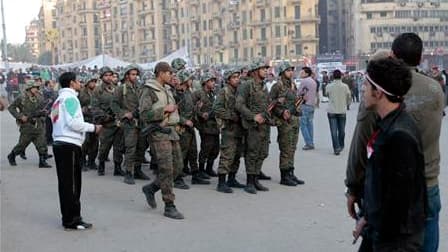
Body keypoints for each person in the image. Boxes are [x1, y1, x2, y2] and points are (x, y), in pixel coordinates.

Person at [345, 33, 444, 252]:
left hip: (394, 195)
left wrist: (353, 187)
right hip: (429, 185)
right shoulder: (435, 89)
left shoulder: (386, 98)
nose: (363, 89)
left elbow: (361, 145)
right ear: (420, 58)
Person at [352, 57, 427, 251]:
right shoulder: (388, 124)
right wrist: (366, 218)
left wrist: (375, 227)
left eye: (366, 86)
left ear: (378, 93)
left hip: (395, 239)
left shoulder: (400, 135)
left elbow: (399, 201)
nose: (363, 90)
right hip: (378, 228)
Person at [51, 71, 102, 230]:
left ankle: (68, 217)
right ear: (72, 83)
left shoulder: (58, 100)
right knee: (72, 185)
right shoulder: (71, 98)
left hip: (60, 143)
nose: (80, 83)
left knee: (65, 185)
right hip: (69, 145)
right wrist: (93, 128)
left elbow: (53, 120)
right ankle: (73, 219)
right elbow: (74, 123)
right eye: (78, 81)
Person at [140, 62, 184, 219]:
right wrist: (163, 110)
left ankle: (151, 188)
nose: (172, 76)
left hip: (171, 131)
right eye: (169, 73)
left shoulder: (166, 89)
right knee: (166, 169)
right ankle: (169, 205)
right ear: (160, 73)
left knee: (178, 167)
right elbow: (144, 114)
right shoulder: (149, 90)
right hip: (159, 133)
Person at [235, 59, 271, 194]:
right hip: (252, 126)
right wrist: (253, 116)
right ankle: (250, 182)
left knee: (263, 152)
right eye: (263, 68)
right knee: (252, 153)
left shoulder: (263, 86)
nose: (266, 71)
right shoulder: (247, 85)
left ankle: (256, 179)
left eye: (267, 69)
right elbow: (239, 105)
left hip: (264, 125)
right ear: (255, 71)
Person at [112, 64, 150, 184]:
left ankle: (138, 170)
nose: (135, 76)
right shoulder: (121, 89)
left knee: (141, 146)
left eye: (136, 74)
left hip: (141, 122)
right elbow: (114, 104)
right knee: (130, 148)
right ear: (127, 76)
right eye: (133, 74)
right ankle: (129, 172)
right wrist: (124, 113)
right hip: (130, 123)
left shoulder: (139, 87)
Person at [270, 61, 304, 186]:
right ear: (282, 72)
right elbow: (271, 104)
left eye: (291, 70)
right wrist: (281, 112)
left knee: (292, 148)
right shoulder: (277, 86)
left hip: (294, 120)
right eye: (288, 70)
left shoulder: (292, 84)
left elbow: (294, 101)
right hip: (284, 122)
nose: (291, 72)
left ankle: (290, 172)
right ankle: (284, 176)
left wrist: (300, 101)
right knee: (286, 149)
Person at [174, 70, 210, 185]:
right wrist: (185, 121)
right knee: (181, 154)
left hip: (190, 127)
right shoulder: (177, 94)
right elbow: (174, 113)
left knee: (193, 152)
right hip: (182, 128)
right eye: (190, 79)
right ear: (185, 80)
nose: (191, 81)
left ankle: (195, 175)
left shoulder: (189, 92)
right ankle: (177, 178)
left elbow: (190, 109)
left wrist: (197, 107)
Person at [213, 68, 245, 193]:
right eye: (234, 77)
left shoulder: (239, 91)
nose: (237, 79)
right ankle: (221, 182)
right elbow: (216, 108)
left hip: (239, 128)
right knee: (227, 155)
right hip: (229, 129)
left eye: (238, 77)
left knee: (237, 155)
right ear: (228, 80)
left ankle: (232, 178)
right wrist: (231, 116)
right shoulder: (224, 92)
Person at [7, 81, 52, 168]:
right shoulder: (22, 98)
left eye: (37, 88)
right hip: (27, 125)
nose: (37, 89)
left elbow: (42, 107)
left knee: (41, 143)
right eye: (35, 88)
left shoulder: (39, 97)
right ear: (29, 88)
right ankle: (12, 155)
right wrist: (20, 116)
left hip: (38, 124)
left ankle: (42, 161)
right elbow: (11, 108)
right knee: (22, 145)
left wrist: (44, 112)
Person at [92, 66, 125, 176]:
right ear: (102, 77)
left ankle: (117, 167)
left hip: (118, 123)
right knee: (104, 147)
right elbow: (95, 107)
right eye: (106, 75)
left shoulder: (117, 88)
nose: (109, 77)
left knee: (118, 147)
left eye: (110, 75)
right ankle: (101, 166)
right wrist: (106, 117)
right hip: (106, 124)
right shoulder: (98, 90)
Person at [192, 73, 220, 177]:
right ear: (205, 82)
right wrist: (200, 114)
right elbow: (192, 107)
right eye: (211, 81)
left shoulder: (213, 94)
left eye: (214, 81)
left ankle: (209, 168)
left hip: (215, 125)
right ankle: (201, 170)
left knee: (215, 149)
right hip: (205, 126)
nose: (214, 83)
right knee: (206, 148)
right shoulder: (198, 93)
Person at [325, 69, 351, 155]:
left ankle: (336, 148)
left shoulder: (329, 86)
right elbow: (349, 97)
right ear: (341, 76)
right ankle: (341, 145)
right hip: (342, 110)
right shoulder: (345, 86)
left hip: (332, 111)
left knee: (333, 131)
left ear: (333, 76)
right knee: (342, 130)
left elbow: (326, 94)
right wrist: (347, 104)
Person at [78, 77, 100, 171]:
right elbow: (77, 105)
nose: (93, 83)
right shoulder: (81, 92)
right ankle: (82, 161)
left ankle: (92, 161)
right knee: (85, 142)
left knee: (95, 143)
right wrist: (85, 108)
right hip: (85, 119)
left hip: (95, 119)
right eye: (92, 81)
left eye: (95, 82)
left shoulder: (97, 91)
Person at [298, 67, 317, 150]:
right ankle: (311, 142)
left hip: (305, 105)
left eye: (302, 72)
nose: (300, 74)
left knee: (303, 125)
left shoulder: (304, 81)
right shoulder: (313, 81)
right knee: (310, 124)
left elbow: (299, 92)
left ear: (306, 74)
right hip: (312, 105)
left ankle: (308, 143)